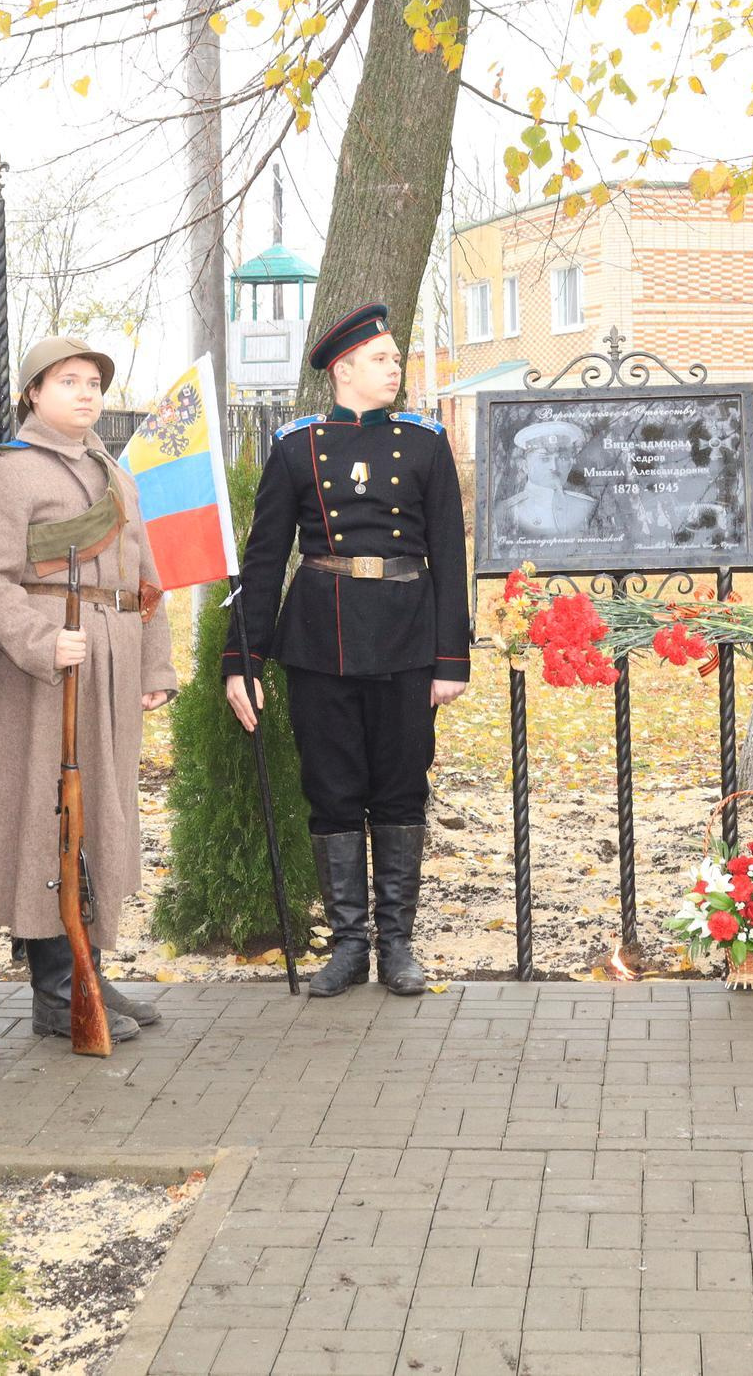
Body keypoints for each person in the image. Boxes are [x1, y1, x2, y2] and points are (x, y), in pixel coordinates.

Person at [226, 304, 471, 998]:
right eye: (382, 358)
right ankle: (347, 945)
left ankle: (397, 946)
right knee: (331, 789)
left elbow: (449, 554)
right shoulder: (295, 447)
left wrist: (450, 657)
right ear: (343, 370)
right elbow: (266, 557)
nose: (395, 366)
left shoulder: (424, 443)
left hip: (405, 635)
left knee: (400, 787)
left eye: (395, 358)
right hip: (320, 639)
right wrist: (242, 659)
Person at [0, 337, 177, 1042]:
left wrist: (153, 666)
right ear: (32, 393)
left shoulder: (115, 473)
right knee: (48, 815)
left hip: (110, 657)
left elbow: (145, 578)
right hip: (44, 667)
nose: (86, 394)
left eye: (94, 383)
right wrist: (37, 641)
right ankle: (55, 983)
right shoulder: (5, 474)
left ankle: (87, 967)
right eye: (68, 381)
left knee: (100, 816)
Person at [504, 418, 598, 537]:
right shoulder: (510, 511)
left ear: (570, 464)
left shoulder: (586, 506)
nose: (554, 466)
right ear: (525, 466)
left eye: (562, 458)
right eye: (544, 459)